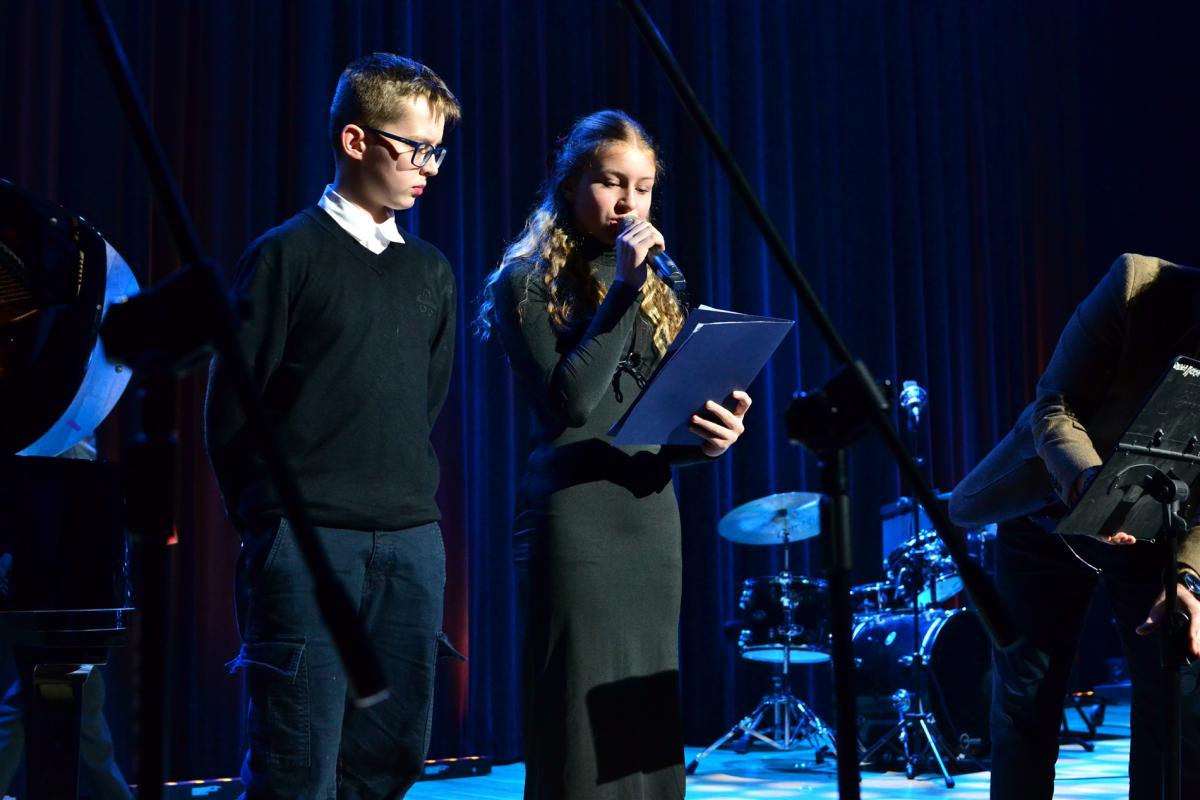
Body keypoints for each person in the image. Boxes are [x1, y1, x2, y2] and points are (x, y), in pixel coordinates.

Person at [205, 53, 461, 798]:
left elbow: (424, 401)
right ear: (356, 140)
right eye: (417, 149)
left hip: (411, 542)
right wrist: (272, 525)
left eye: (437, 152)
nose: (429, 168)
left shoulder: (431, 271)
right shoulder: (286, 254)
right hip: (307, 542)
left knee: (389, 758)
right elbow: (232, 409)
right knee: (296, 763)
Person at [476, 109, 752, 800]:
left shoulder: (661, 288)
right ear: (571, 183)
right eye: (611, 182)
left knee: (643, 713)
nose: (630, 202)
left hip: (649, 518)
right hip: (576, 522)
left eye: (645, 188)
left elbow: (649, 427)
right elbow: (572, 406)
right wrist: (624, 287)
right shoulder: (524, 281)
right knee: (578, 717)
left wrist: (709, 440)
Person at [949, 253, 1200, 799]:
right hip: (1049, 507)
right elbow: (1055, 406)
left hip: (1155, 529)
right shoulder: (1135, 283)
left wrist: (1189, 577)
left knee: (1175, 702)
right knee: (1025, 704)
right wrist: (1089, 487)